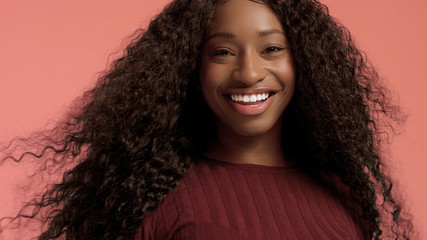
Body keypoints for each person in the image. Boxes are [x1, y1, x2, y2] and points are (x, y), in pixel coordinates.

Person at [0, 0, 415, 239]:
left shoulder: (343, 195)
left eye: (272, 50)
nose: (249, 73)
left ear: (303, 63)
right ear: (192, 72)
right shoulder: (143, 199)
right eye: (222, 52)